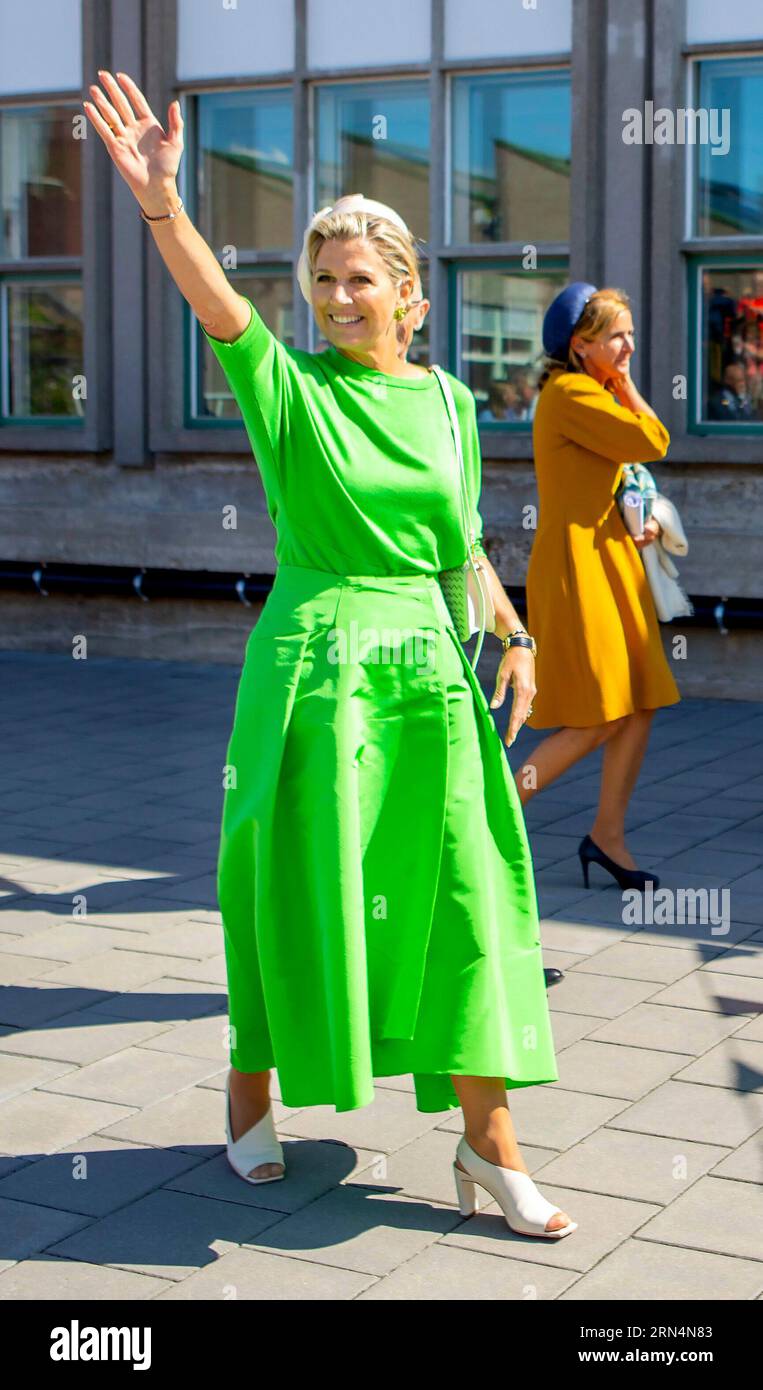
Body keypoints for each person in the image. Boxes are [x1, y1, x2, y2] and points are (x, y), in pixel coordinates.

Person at [83, 70, 577, 1240]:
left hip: (430, 676)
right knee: (291, 889)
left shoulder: (455, 403)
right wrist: (165, 205)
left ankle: (488, 1139)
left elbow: (458, 548)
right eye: (323, 282)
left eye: (362, 280)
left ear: (410, 292)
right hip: (316, 669)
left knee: (465, 893)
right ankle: (252, 1083)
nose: (340, 298)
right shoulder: (287, 388)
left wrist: (514, 633)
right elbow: (218, 307)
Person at [516, 282, 681, 892]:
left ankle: (606, 837)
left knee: (639, 704)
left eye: (630, 333)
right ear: (581, 345)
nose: (629, 345)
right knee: (598, 717)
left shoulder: (586, 388)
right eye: (616, 335)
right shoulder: (572, 392)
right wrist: (622, 383)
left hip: (608, 556)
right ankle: (497, 810)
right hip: (576, 565)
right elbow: (653, 440)